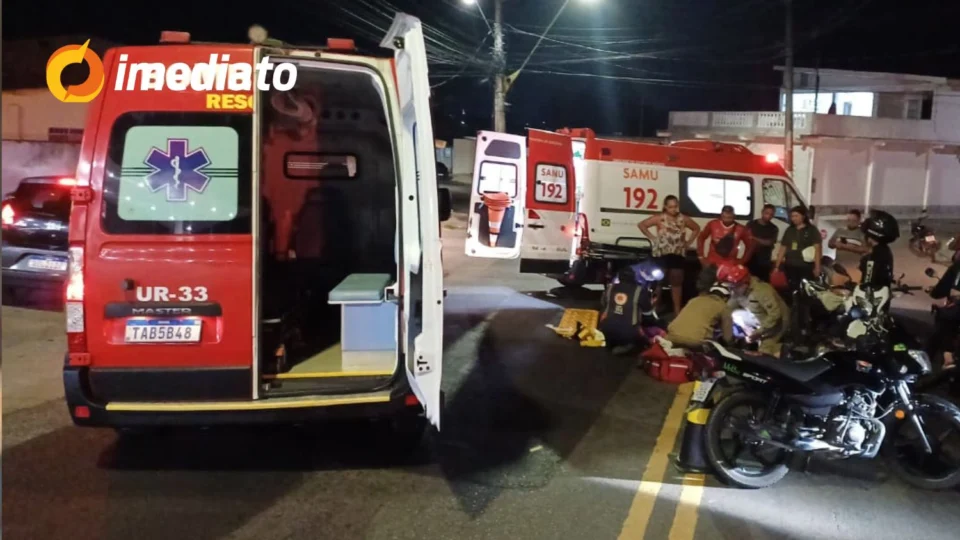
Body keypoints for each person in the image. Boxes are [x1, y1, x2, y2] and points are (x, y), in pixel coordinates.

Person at [638, 195, 700, 312]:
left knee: (676, 282)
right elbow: (642, 225)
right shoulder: (659, 218)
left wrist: (688, 243)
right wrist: (653, 237)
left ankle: (677, 311)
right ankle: (653, 309)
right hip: (661, 253)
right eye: (670, 207)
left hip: (677, 254)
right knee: (659, 282)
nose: (673, 209)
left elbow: (696, 228)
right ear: (665, 207)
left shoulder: (683, 219)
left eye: (675, 206)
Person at [719, 262, 789, 357]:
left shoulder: (761, 291)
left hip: (777, 325)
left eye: (735, 287)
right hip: (759, 319)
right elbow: (727, 309)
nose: (732, 290)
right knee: (734, 315)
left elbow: (776, 315)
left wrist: (758, 333)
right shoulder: (738, 290)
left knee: (764, 355)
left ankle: (785, 350)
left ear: (745, 283)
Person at [600, 267, 659, 355]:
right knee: (648, 329)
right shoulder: (639, 290)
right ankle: (628, 346)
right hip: (628, 333)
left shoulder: (610, 288)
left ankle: (612, 343)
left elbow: (603, 304)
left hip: (606, 329)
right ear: (634, 277)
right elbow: (648, 314)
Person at [663, 283, 735, 351]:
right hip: (695, 342)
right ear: (726, 298)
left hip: (671, 337)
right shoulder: (723, 306)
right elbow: (727, 338)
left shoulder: (694, 300)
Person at [773, 206, 822, 294]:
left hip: (806, 266)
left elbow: (817, 249)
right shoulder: (789, 230)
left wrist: (817, 267)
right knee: (791, 289)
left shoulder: (812, 230)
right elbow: (783, 248)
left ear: (803, 216)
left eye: (796, 216)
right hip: (790, 265)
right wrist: (777, 266)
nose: (794, 218)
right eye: (792, 216)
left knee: (806, 290)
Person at [827, 208, 868, 284]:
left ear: (859, 220)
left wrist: (850, 247)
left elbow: (866, 249)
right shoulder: (839, 231)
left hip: (854, 269)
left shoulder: (862, 234)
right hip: (838, 268)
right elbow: (830, 244)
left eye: (854, 221)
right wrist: (835, 244)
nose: (851, 222)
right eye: (849, 220)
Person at [746, 204, 779, 281]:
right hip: (750, 258)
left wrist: (754, 238)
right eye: (767, 213)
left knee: (763, 283)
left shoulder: (773, 228)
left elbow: (769, 243)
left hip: (764, 261)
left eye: (771, 214)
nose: (768, 216)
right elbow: (746, 238)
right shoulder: (751, 224)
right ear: (762, 212)